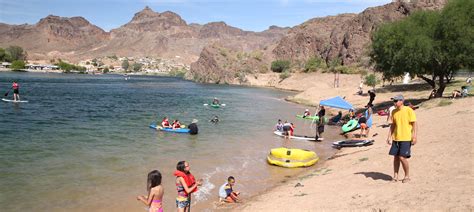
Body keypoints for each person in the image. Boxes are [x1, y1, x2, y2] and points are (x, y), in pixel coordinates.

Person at [387, 94, 417, 183]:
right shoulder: (393, 112)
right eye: (394, 101)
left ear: (401, 101)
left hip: (406, 138)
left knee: (402, 157)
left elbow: (414, 124)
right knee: (396, 157)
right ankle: (395, 176)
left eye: (396, 101)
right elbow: (393, 125)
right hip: (396, 138)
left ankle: (407, 176)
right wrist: (389, 136)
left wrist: (414, 136)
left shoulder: (408, 110)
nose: (394, 103)